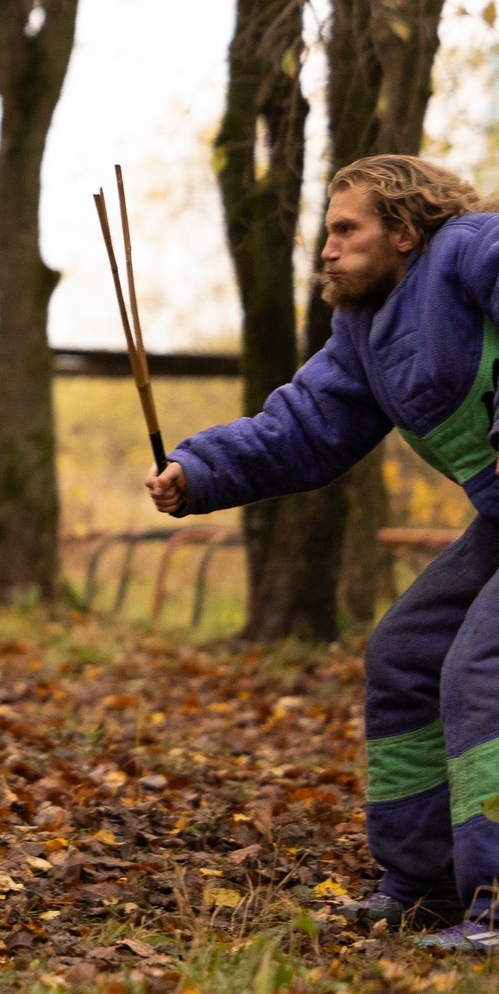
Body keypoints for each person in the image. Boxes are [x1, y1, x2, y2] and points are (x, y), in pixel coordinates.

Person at [150, 155, 499, 948]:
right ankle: (423, 883)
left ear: (404, 231)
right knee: (405, 655)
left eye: (347, 229)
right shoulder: (365, 331)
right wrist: (195, 470)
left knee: (482, 670)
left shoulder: (472, 248)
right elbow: (301, 428)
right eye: (327, 232)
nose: (328, 249)